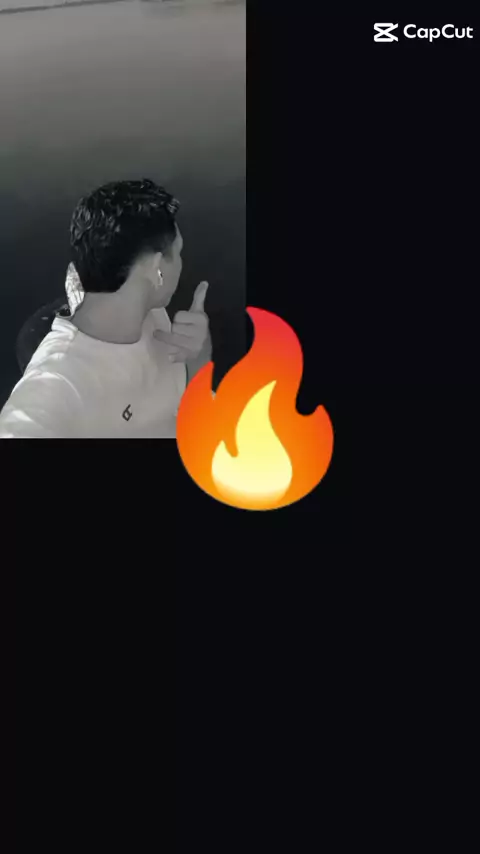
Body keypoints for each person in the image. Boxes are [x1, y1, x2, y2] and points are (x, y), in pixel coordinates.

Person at [0, 179, 212, 438]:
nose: (181, 263)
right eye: (178, 252)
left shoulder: (150, 311)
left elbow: (194, 409)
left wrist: (199, 355)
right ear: (156, 268)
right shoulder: (57, 384)